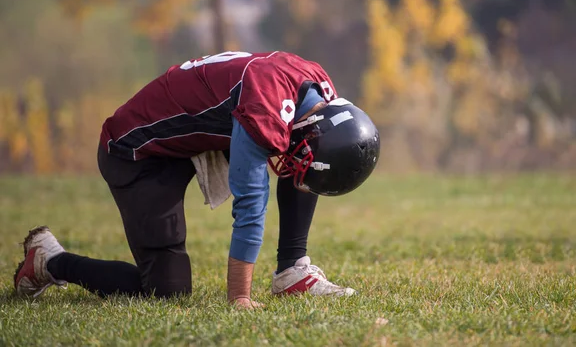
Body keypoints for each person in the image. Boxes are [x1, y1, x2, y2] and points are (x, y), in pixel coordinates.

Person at [14, 51, 380, 309]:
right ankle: (50, 260)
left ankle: (292, 271)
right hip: (138, 151)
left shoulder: (318, 92)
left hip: (201, 134)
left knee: (304, 156)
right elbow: (251, 204)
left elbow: (301, 150)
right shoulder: (264, 104)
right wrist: (239, 296)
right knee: (165, 290)